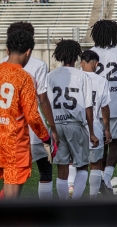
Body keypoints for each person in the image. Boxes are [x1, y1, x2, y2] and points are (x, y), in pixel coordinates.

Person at [3, 22, 60, 200]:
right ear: (28, 51)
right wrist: (46, 137)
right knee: (12, 193)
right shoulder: (24, 77)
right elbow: (33, 115)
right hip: (13, 140)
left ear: (7, 50)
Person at [48, 39, 98, 200]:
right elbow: (88, 106)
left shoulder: (50, 76)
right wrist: (91, 132)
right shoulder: (83, 76)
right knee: (82, 165)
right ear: (76, 56)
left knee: (62, 168)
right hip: (75, 124)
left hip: (56, 125)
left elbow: (45, 103)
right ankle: (75, 202)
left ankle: (64, 205)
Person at [90, 20, 117, 195]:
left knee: (99, 146)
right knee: (115, 144)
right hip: (114, 106)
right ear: (114, 35)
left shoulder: (90, 53)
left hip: (93, 109)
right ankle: (106, 179)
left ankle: (100, 178)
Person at [80, 50, 112, 199]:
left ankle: (72, 192)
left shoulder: (75, 77)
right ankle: (92, 198)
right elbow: (104, 107)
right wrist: (107, 129)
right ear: (96, 63)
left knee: (76, 164)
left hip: (77, 125)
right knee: (96, 163)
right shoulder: (101, 80)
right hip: (95, 125)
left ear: (81, 63)